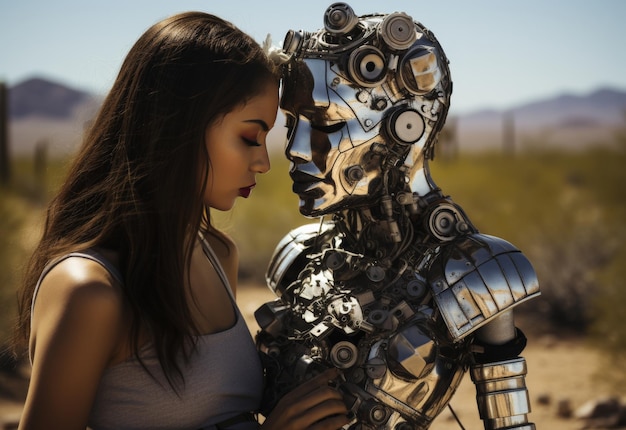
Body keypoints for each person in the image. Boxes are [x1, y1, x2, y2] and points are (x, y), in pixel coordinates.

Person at [13, 11, 350, 430]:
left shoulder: (217, 254)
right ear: (177, 127)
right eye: (249, 137)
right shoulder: (89, 292)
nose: (263, 162)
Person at [255, 3, 540, 429]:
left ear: (406, 129)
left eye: (326, 126)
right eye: (291, 124)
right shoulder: (299, 254)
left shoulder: (474, 274)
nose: (295, 149)